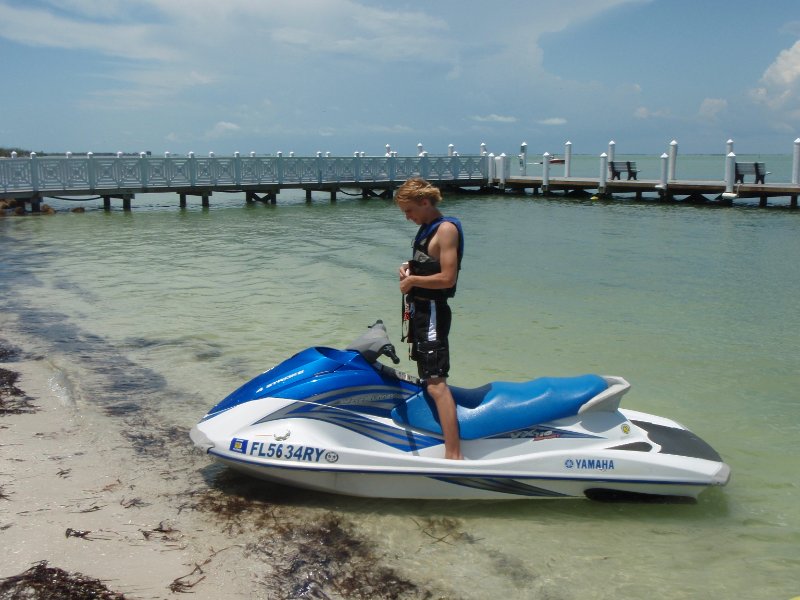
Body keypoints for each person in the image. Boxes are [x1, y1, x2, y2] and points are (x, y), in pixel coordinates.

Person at [395, 178, 464, 460]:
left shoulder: (446, 229)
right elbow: (430, 262)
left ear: (424, 203)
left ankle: (453, 455)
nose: (407, 217)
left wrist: (412, 283)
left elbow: (448, 277)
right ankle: (436, 433)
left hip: (434, 311)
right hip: (422, 313)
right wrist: (410, 268)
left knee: (436, 382)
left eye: (409, 210)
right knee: (427, 377)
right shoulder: (426, 229)